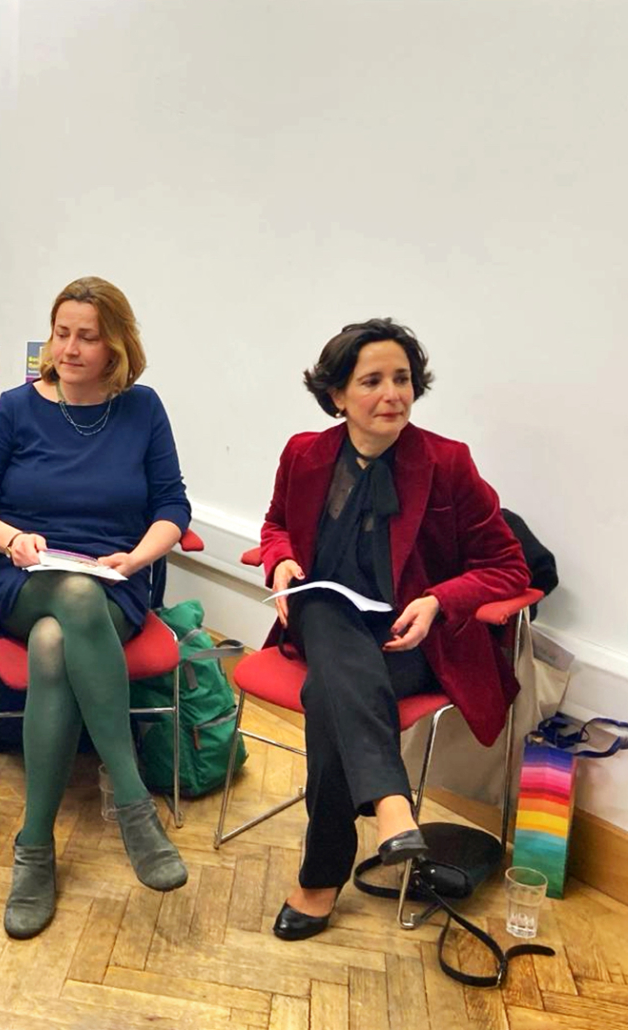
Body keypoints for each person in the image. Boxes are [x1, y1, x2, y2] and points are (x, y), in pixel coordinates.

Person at [259, 317, 529, 941]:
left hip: (409, 638)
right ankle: (391, 805)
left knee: (329, 694)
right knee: (323, 609)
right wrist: (280, 560)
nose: (392, 395)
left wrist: (437, 600)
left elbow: (508, 565)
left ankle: (322, 878)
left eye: (402, 379)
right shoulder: (305, 454)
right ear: (337, 395)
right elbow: (276, 524)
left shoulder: (447, 462)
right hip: (325, 616)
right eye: (372, 381)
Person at [0, 276, 192, 939]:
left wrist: (136, 558)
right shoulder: (15, 410)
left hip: (115, 582)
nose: (71, 348)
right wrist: (11, 539)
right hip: (27, 580)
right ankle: (133, 803)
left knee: (56, 643)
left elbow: (173, 506)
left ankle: (34, 846)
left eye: (87, 337)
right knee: (66, 603)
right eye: (62, 333)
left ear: (116, 346)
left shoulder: (142, 409)